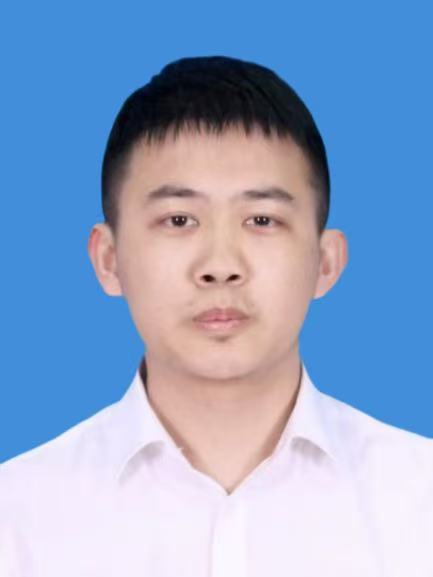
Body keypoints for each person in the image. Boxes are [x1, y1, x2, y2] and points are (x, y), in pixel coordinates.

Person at [0, 55, 432, 577]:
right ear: (108, 260)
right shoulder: (17, 519)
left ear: (326, 262)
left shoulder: (420, 502)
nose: (221, 265)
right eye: (179, 220)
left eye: (262, 219)